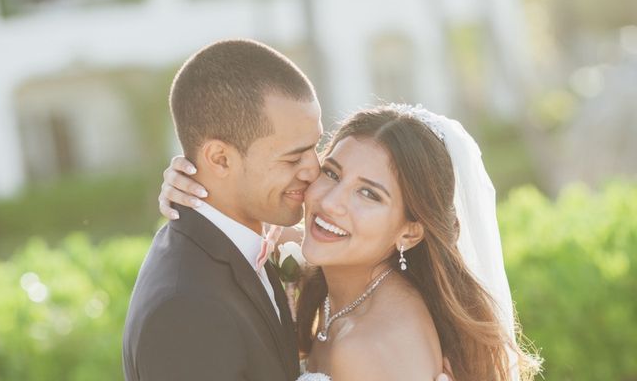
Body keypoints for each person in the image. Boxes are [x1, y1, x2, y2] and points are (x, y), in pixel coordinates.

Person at [161, 105, 540, 380]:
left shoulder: (370, 347)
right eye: (332, 173)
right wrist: (197, 190)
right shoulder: (344, 272)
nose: (330, 202)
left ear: (410, 231)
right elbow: (239, 231)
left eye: (369, 195)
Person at [123, 39, 323, 381]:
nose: (314, 170)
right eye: (293, 157)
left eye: (316, 147)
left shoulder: (251, 243)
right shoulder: (184, 309)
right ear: (220, 159)